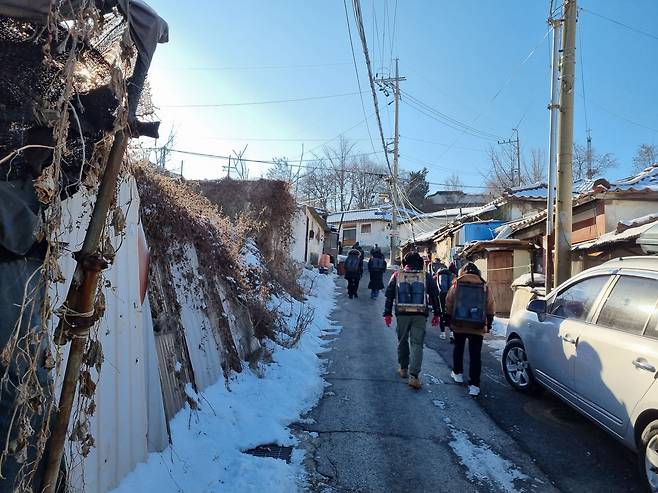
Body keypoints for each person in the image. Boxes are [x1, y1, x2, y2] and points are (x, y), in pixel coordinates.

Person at [383, 251, 440, 390]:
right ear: (420, 263)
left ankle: (403, 369)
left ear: (404, 263)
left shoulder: (397, 275)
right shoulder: (425, 276)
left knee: (402, 341)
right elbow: (434, 294)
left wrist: (387, 313)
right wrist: (437, 314)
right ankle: (414, 376)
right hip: (420, 315)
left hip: (402, 314)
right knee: (417, 344)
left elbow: (389, 294)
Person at [445, 262, 495, 397]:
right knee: (475, 355)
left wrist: (448, 320)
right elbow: (490, 306)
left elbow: (449, 303)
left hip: (459, 324)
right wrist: (488, 323)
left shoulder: (456, 285)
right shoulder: (484, 286)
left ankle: (458, 374)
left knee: (458, 349)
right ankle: (474, 385)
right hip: (477, 325)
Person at [435, 261, 457, 341]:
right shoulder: (453, 275)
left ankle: (443, 334)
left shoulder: (440, 274)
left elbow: (436, 286)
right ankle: (452, 334)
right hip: (451, 295)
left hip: (442, 295)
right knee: (451, 314)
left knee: (442, 314)